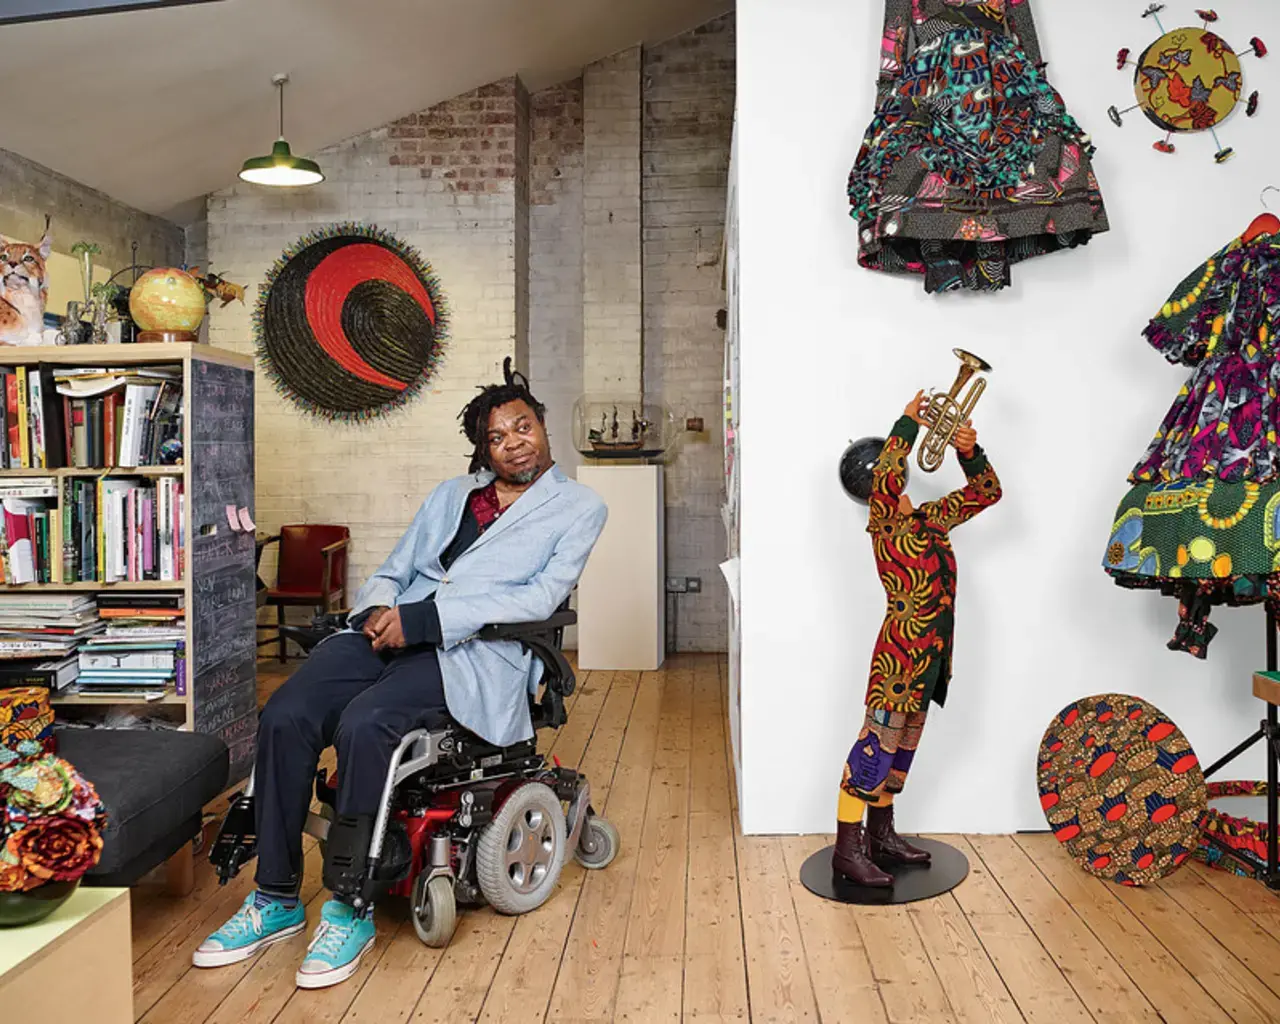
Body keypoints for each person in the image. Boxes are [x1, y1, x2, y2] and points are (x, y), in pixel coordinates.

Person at [192, 362, 607, 988]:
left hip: (474, 652)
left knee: (366, 723)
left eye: (522, 427)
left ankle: (349, 904)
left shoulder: (579, 508)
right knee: (285, 714)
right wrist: (378, 609)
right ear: (483, 446)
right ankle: (274, 898)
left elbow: (540, 598)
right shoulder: (451, 495)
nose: (513, 442)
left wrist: (427, 620)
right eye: (497, 436)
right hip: (392, 632)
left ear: (542, 427)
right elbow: (396, 565)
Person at [834, 391, 1001, 886]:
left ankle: (881, 837)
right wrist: (906, 425)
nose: (891, 477)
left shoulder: (932, 518)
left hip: (929, 661)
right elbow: (887, 476)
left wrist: (968, 450)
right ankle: (848, 850)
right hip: (897, 661)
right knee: (873, 752)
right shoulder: (883, 522)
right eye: (883, 470)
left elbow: (987, 491)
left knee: (901, 751)